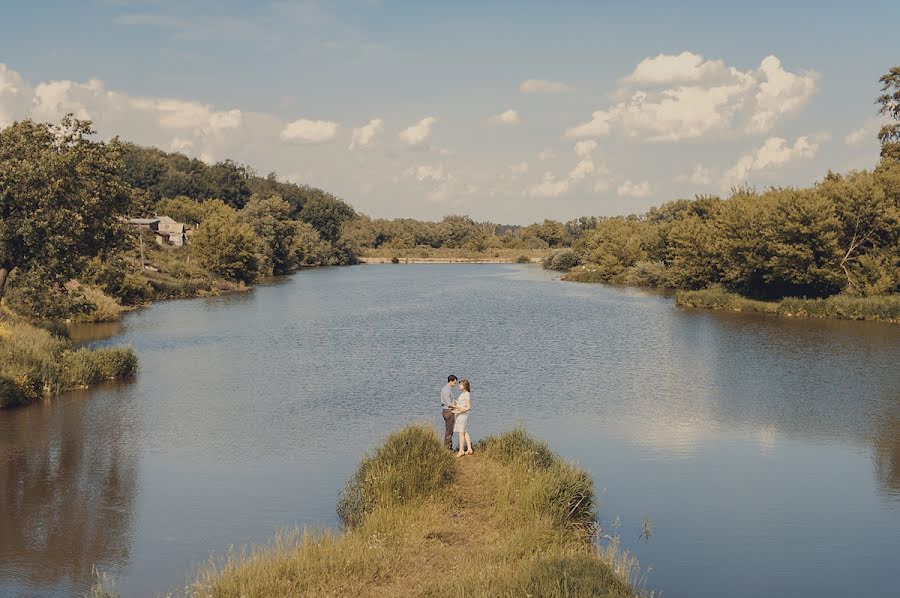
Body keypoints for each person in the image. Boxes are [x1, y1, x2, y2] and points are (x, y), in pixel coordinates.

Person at [453, 379, 473, 457]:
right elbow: (462, 403)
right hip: (462, 415)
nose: (459, 386)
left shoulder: (466, 394)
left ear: (464, 386)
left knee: (461, 432)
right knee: (465, 432)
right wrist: (456, 403)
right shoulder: (463, 393)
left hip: (462, 415)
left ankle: (461, 451)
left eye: (460, 385)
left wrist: (459, 411)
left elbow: (468, 407)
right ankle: (469, 449)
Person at [441, 375, 458, 450]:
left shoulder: (447, 389)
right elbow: (448, 404)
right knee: (449, 431)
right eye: (454, 382)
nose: (455, 384)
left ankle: (449, 447)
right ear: (451, 381)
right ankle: (447, 448)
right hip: (448, 412)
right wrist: (458, 407)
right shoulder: (446, 390)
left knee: (450, 430)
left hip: (448, 411)